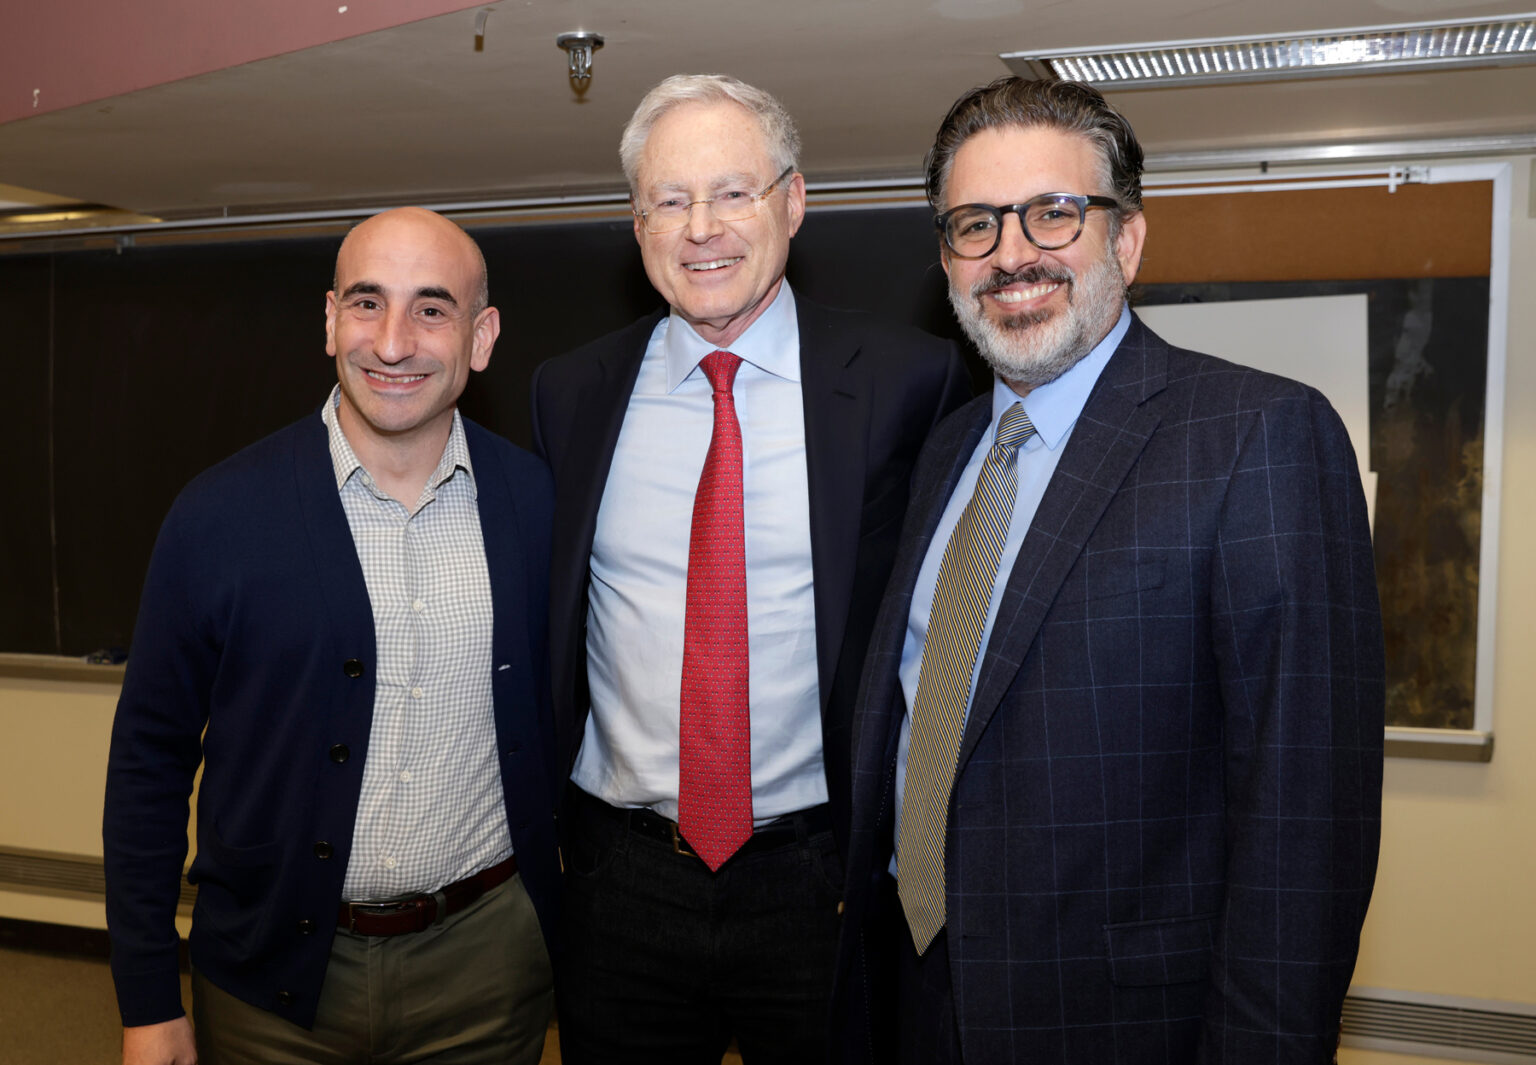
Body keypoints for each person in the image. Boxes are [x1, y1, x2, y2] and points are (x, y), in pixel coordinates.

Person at [835, 77, 1385, 1064]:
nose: (1012, 253)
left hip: (1124, 1025)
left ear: (1124, 242)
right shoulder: (944, 449)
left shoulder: (1258, 434)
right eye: (974, 225)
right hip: (911, 994)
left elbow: (1306, 821)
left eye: (1052, 212)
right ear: (949, 260)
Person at [530, 73, 969, 1062]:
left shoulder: (910, 379)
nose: (702, 229)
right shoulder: (571, 393)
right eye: (669, 201)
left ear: (793, 202)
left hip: (820, 876)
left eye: (733, 192)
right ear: (637, 226)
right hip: (620, 880)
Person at [103, 207, 558, 1065]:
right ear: (328, 320)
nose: (393, 342)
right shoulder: (218, 514)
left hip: (487, 977)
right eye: (365, 303)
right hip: (266, 982)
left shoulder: (538, 505)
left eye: (431, 308)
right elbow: (149, 761)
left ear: (482, 334)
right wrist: (147, 994)